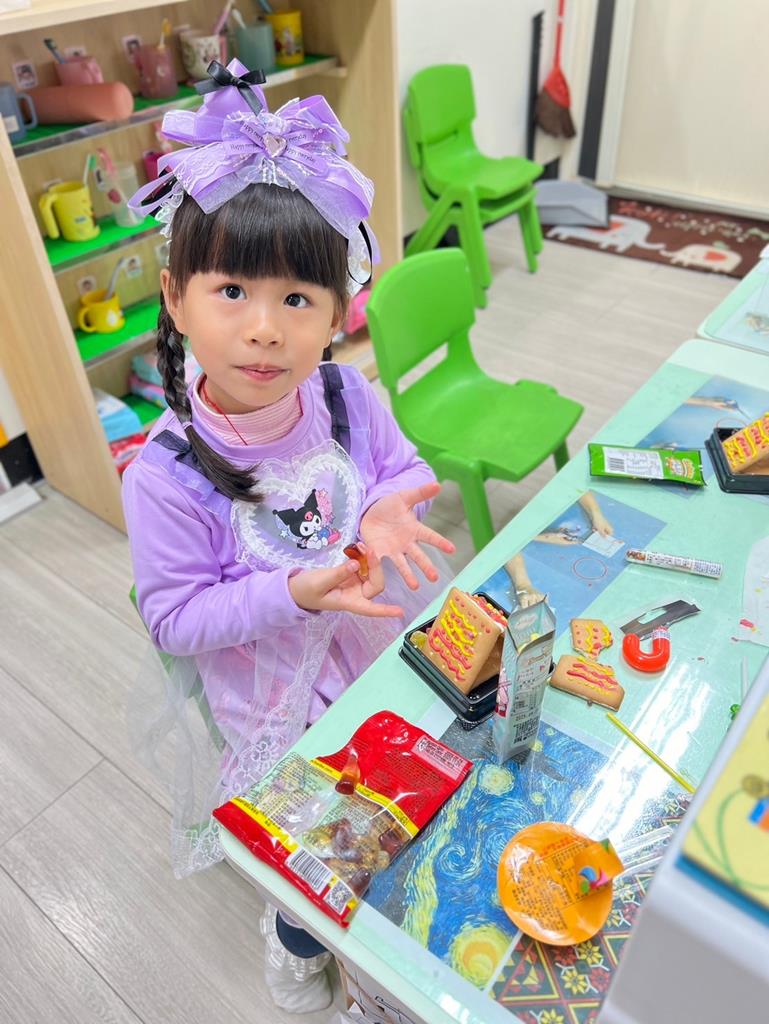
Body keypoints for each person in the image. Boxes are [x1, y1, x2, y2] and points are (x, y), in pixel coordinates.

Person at [122, 60, 454, 1012]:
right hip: (274, 705)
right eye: (232, 290)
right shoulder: (165, 474)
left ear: (338, 313)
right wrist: (295, 592)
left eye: (298, 299)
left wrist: (389, 506)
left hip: (374, 652)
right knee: (314, 856)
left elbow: (398, 470)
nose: (265, 330)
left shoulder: (347, 395)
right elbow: (175, 621)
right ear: (176, 296)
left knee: (396, 812)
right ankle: (295, 940)